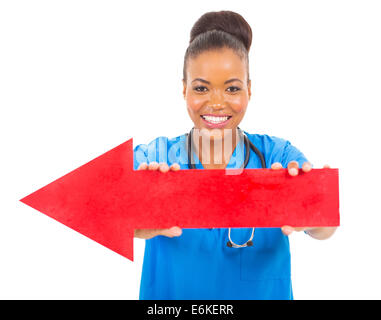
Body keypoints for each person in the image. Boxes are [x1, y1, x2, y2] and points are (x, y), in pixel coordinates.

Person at [133, 10, 337, 300]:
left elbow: (326, 228)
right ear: (183, 89)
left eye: (232, 88)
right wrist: (130, 223)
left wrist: (314, 216)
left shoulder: (277, 156)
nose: (217, 102)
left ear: (249, 90)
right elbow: (97, 204)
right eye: (201, 88)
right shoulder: (157, 158)